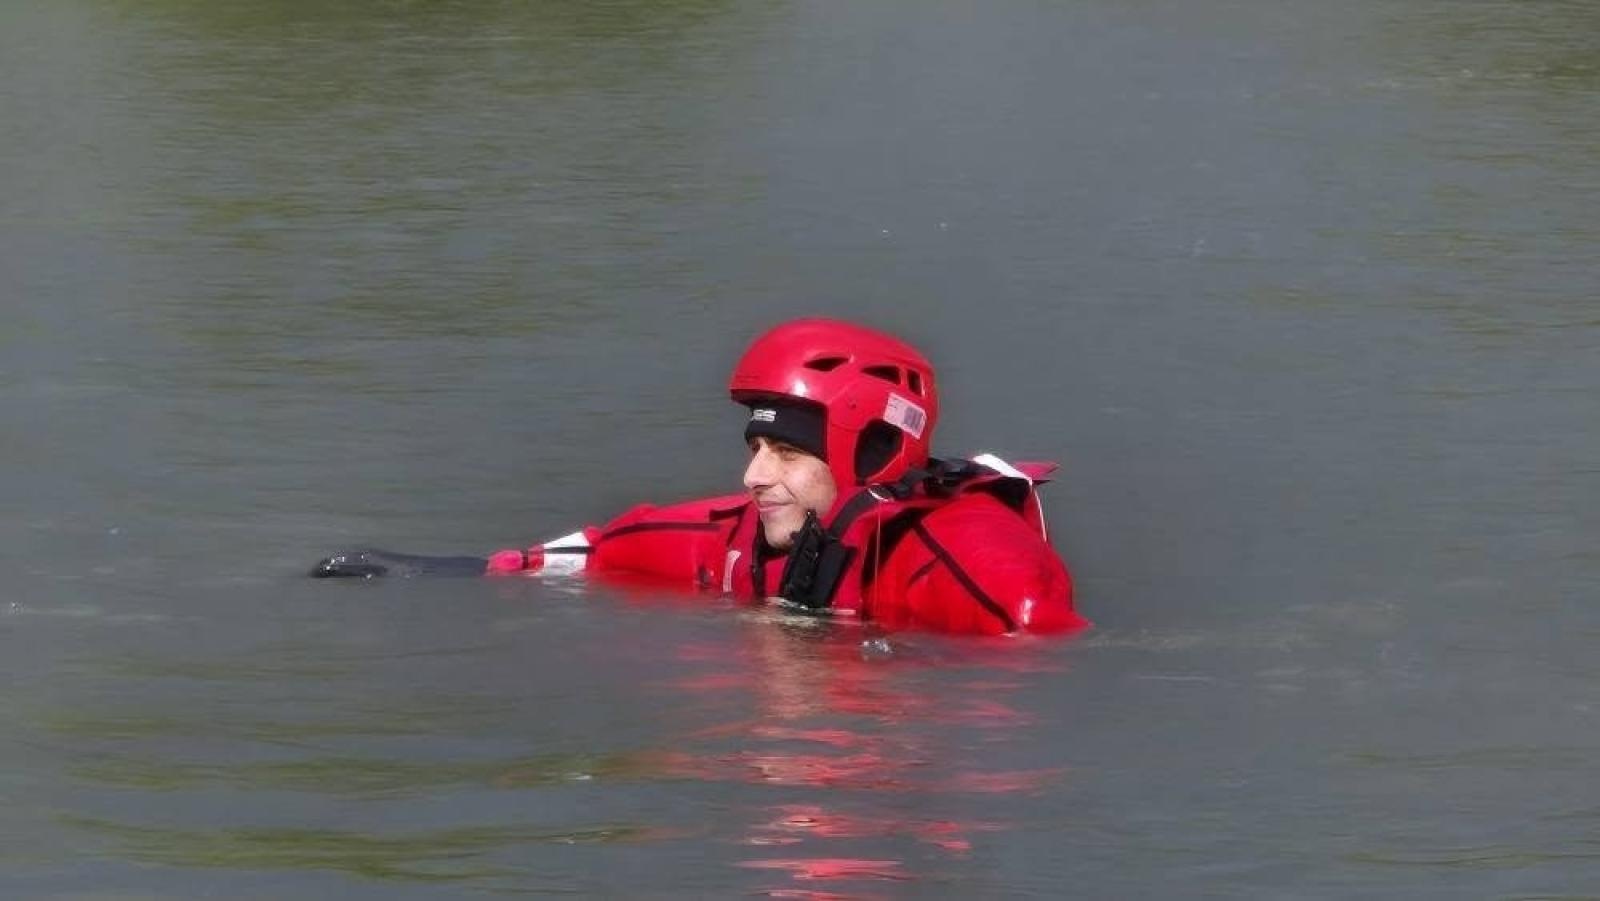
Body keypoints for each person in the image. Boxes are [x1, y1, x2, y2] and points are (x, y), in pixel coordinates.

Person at [314, 318, 1086, 636]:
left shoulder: (961, 557)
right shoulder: (743, 536)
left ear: (869, 451)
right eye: (755, 447)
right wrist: (469, 570)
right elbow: (615, 547)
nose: (752, 475)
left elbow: (1037, 640)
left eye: (785, 455)